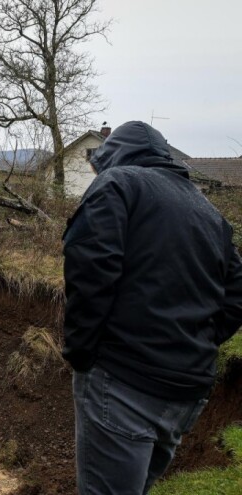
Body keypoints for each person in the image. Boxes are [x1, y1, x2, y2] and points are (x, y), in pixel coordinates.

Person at [62, 121, 242, 494]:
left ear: (114, 156)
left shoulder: (118, 185)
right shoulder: (208, 212)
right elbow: (235, 295)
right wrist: (197, 341)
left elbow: (91, 268)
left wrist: (81, 352)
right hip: (185, 392)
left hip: (123, 379)